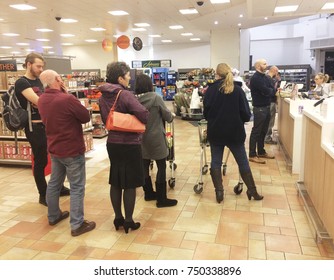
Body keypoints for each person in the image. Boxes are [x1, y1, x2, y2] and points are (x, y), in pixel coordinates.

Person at [38, 69, 96, 236]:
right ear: (57, 79)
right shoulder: (66, 99)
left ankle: (53, 215)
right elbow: (85, 116)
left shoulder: (42, 99)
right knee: (77, 186)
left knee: (54, 183)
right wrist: (68, 94)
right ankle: (77, 224)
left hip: (55, 148)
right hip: (71, 149)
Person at [99, 62, 149, 234]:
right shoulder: (125, 94)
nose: (129, 79)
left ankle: (117, 217)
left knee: (116, 180)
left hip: (112, 142)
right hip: (130, 143)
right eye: (128, 76)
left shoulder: (102, 96)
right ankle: (129, 220)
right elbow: (143, 114)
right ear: (120, 78)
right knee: (130, 183)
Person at [14, 52, 70, 206]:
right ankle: (43, 193)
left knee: (56, 158)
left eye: (42, 67)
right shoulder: (22, 83)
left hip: (47, 124)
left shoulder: (40, 81)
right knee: (40, 160)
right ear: (28, 64)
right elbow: (40, 102)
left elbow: (49, 99)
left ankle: (58, 187)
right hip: (34, 127)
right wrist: (47, 100)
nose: (40, 69)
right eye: (38, 66)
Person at [203, 63, 263, 203]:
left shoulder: (210, 91)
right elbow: (246, 115)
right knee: (242, 161)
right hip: (235, 133)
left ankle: (219, 192)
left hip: (216, 132)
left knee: (216, 162)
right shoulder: (238, 91)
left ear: (217, 74)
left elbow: (206, 113)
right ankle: (252, 191)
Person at [135, 74, 178, 208]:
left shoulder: (134, 100)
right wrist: (172, 116)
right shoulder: (155, 98)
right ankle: (161, 199)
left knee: (144, 167)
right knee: (161, 166)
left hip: (140, 138)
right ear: (149, 85)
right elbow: (167, 116)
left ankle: (148, 193)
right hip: (156, 137)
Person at [248, 59, 275, 164]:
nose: (266, 65)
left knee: (264, 130)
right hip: (259, 108)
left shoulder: (265, 77)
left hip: (266, 106)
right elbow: (267, 90)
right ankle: (252, 154)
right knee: (256, 131)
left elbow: (272, 89)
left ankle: (261, 151)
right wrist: (270, 91)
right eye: (264, 64)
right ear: (258, 66)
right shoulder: (255, 78)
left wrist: (270, 91)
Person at [264, 66, 280, 145]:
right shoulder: (269, 79)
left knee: (268, 121)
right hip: (271, 102)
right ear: (275, 71)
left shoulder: (267, 79)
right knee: (270, 121)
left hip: (269, 102)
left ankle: (266, 137)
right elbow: (271, 92)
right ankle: (267, 137)